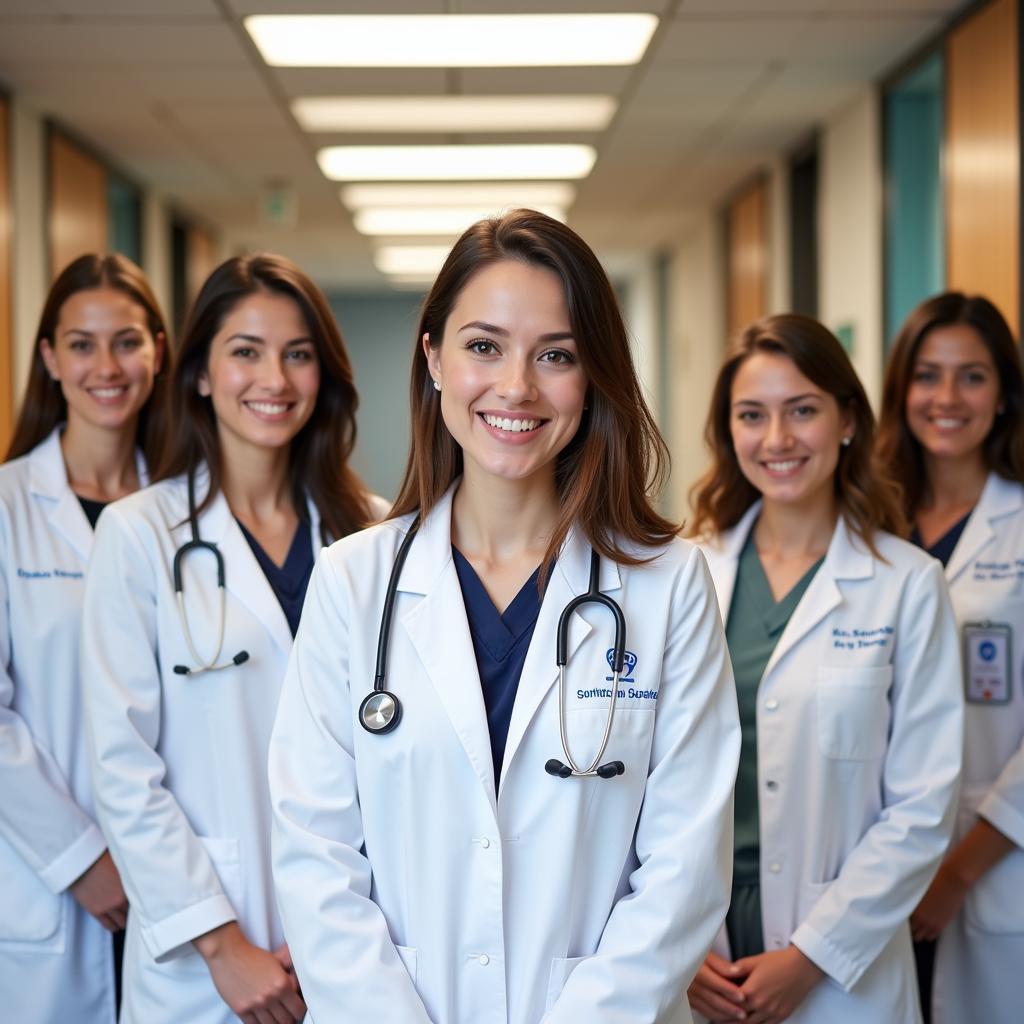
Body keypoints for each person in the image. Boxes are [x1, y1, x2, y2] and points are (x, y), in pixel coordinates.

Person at [268, 209, 741, 1023]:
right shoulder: (355, 582)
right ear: (434, 359)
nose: (517, 386)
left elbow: (684, 868)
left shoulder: (667, 587)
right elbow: (315, 857)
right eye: (484, 346)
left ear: (594, 377)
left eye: (555, 355)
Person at [81, 253, 385, 1024]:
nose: (274, 379)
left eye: (298, 354)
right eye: (245, 352)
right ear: (202, 376)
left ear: (325, 377)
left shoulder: (377, 534)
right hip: (208, 956)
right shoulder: (140, 535)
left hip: (362, 942)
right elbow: (123, 768)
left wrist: (349, 936)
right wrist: (221, 945)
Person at [687, 314, 963, 1024]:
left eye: (801, 411)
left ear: (846, 420)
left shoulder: (906, 584)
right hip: (699, 949)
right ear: (729, 432)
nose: (776, 440)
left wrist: (812, 956)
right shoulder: (687, 574)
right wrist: (679, 947)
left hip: (842, 964)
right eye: (752, 416)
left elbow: (922, 807)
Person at [0, 253, 169, 1023]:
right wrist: (86, 861)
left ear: (159, 351)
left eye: (127, 341)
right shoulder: (7, 509)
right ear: (48, 358)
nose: (107, 366)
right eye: (81, 344)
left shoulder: (185, 512)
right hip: (50, 882)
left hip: (178, 872)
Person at [877, 292, 1024, 1024]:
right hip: (872, 870)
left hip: (991, 869)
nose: (946, 398)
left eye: (972, 376)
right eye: (927, 375)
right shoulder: (869, 524)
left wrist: (956, 874)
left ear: (1003, 395)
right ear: (901, 389)